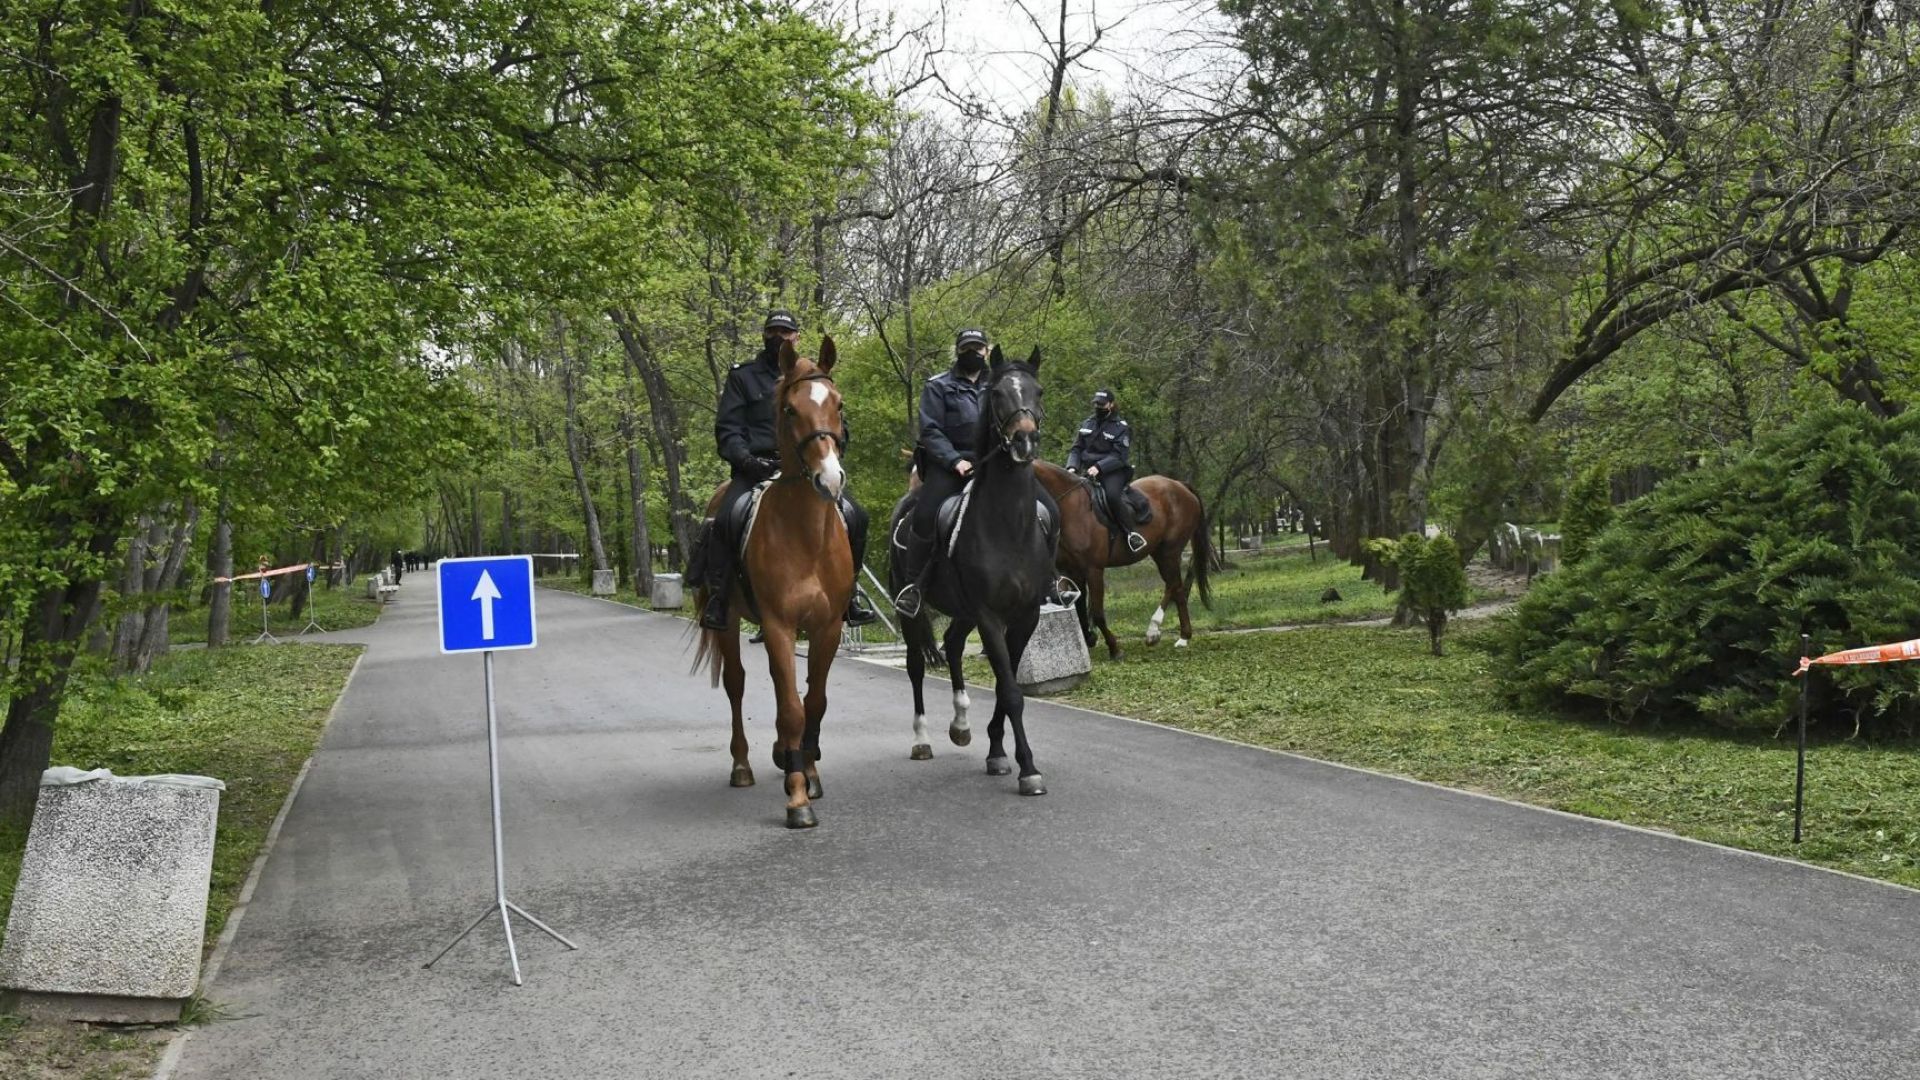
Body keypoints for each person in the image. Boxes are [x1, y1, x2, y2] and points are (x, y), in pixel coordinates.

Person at [699, 309, 876, 631]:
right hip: (755, 469)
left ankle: (849, 594)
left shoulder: (815, 381)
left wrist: (829, 455)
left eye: (786, 332)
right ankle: (719, 597)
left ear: (796, 337)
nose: (779, 337)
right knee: (725, 518)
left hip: (807, 469)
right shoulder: (743, 377)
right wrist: (747, 461)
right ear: (765, 335)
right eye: (773, 331)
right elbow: (728, 430)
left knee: (857, 516)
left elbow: (837, 428)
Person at [893, 328, 995, 618]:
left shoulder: (999, 384)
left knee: (1043, 504)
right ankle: (913, 586)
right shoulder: (938, 385)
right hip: (950, 465)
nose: (972, 353)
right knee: (925, 514)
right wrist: (955, 461)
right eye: (966, 348)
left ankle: (1049, 578)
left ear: (987, 351)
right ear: (957, 351)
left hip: (992, 464)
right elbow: (930, 431)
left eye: (978, 348)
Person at [1068, 388, 1146, 554]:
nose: (1098, 407)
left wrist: (1099, 467)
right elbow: (1076, 448)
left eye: (1102, 404)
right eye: (1096, 404)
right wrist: (1072, 467)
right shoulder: (1087, 424)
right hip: (1087, 470)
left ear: (1111, 404)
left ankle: (1131, 533)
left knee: (1112, 496)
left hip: (1112, 471)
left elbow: (1119, 456)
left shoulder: (1121, 427)